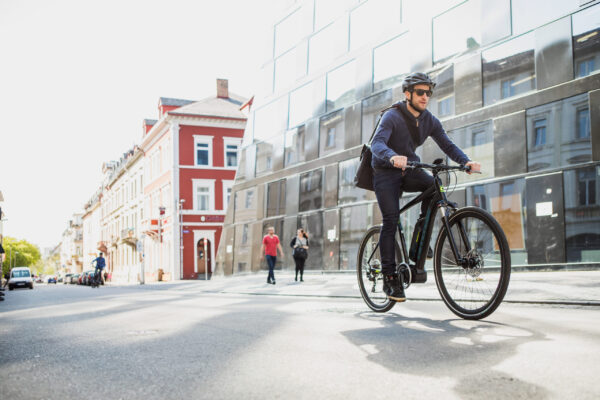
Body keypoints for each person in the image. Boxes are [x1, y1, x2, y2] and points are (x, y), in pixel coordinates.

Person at [370, 72, 481, 303]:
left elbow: (447, 144)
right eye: (420, 92)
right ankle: (389, 278)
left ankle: (419, 243)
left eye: (428, 92)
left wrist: (465, 162)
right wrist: (392, 157)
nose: (425, 96)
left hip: (409, 168)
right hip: (385, 171)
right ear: (408, 94)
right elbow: (377, 144)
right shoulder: (392, 116)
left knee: (434, 188)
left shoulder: (429, 120)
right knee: (390, 220)